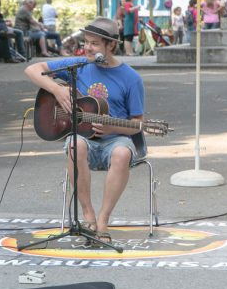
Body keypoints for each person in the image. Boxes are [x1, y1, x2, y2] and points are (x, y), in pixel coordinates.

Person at [24, 17, 145, 245]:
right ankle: (87, 214)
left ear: (110, 45)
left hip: (116, 139)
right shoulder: (80, 65)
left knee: (121, 154)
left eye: (95, 44)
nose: (87, 47)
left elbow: (138, 123)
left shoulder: (131, 78)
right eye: (86, 42)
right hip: (84, 138)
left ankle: (103, 220)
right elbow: (32, 69)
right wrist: (56, 90)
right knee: (73, 144)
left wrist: (112, 126)